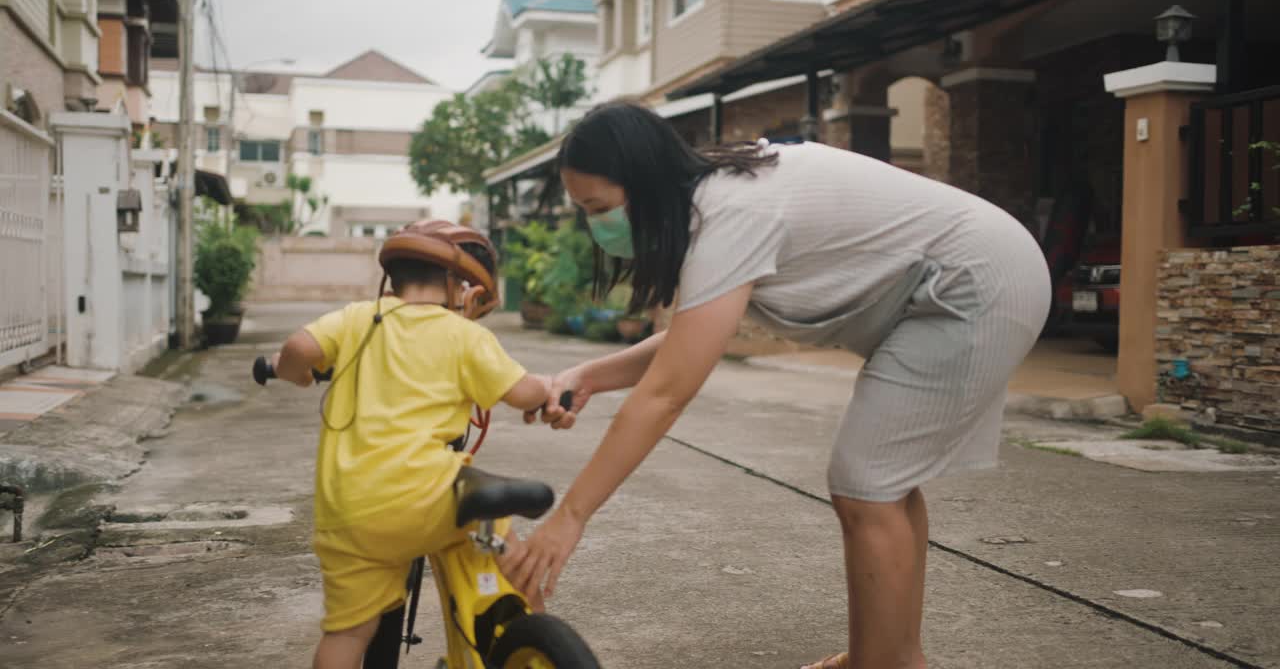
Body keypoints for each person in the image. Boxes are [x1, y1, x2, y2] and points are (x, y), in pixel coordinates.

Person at [503, 102, 1051, 669]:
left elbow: (667, 392)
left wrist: (570, 517)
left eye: (599, 207)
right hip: (975, 275)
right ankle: (888, 655)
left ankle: (883, 663)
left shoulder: (730, 213)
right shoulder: (716, 198)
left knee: (866, 483)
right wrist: (589, 376)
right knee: (882, 483)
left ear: (643, 183)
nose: (597, 225)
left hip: (971, 285)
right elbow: (694, 337)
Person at [270, 220, 553, 669]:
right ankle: (538, 638)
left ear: (391, 278)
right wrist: (548, 390)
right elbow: (524, 393)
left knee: (348, 632)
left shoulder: (357, 318)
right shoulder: (464, 334)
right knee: (504, 549)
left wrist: (296, 374)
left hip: (352, 511)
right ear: (456, 284)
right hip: (429, 497)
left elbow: (297, 348)